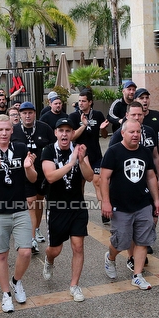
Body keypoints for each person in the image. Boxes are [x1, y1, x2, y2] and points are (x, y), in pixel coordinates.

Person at [0, 115, 38, 313]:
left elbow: (33, 178)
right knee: (1, 255)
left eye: (7, 129)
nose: (3, 133)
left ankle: (16, 281)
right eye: (0, 129)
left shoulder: (20, 148)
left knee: (26, 251)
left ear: (12, 130)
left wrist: (28, 168)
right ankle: (6, 294)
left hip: (20, 208)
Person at [100, 119, 159, 290]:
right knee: (121, 242)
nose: (136, 135)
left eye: (138, 132)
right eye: (132, 132)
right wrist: (106, 202)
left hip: (142, 204)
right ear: (123, 133)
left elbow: (150, 177)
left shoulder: (144, 152)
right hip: (120, 206)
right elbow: (104, 179)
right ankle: (110, 258)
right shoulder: (113, 152)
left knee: (143, 241)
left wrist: (156, 200)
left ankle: (138, 275)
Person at [41, 117, 95, 301]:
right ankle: (49, 261)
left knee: (78, 246)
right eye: (61, 130)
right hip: (56, 206)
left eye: (68, 131)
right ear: (56, 133)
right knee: (54, 250)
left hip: (77, 205)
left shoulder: (79, 149)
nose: (64, 134)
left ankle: (74, 285)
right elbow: (50, 176)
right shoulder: (48, 150)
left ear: (72, 134)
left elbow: (89, 177)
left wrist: (80, 161)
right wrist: (70, 164)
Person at [11, 101, 54, 253]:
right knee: (31, 202)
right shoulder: (14, 130)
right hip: (23, 174)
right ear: (20, 115)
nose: (27, 115)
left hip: (42, 172)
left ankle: (35, 229)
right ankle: (31, 240)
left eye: (30, 112)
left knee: (38, 201)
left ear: (34, 113)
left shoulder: (45, 128)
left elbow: (53, 147)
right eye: (24, 113)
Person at [69, 88, 108, 221]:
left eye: (83, 101)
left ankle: (104, 213)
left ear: (90, 102)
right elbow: (72, 137)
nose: (80, 103)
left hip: (96, 154)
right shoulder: (73, 116)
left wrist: (103, 129)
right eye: (79, 101)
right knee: (80, 185)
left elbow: (103, 136)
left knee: (98, 182)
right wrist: (84, 125)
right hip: (80, 156)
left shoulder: (98, 115)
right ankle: (79, 212)